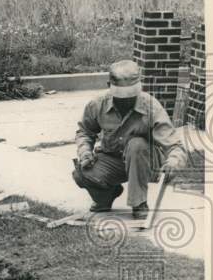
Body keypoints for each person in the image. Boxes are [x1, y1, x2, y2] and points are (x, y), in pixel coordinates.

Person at [73, 59, 186, 219]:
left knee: (136, 144)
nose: (126, 100)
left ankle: (139, 203)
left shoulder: (151, 106)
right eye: (121, 95)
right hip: (113, 158)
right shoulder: (97, 105)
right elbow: (85, 132)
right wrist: (85, 152)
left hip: (146, 160)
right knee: (81, 174)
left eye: (130, 95)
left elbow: (174, 145)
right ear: (109, 86)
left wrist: (174, 161)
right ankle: (106, 196)